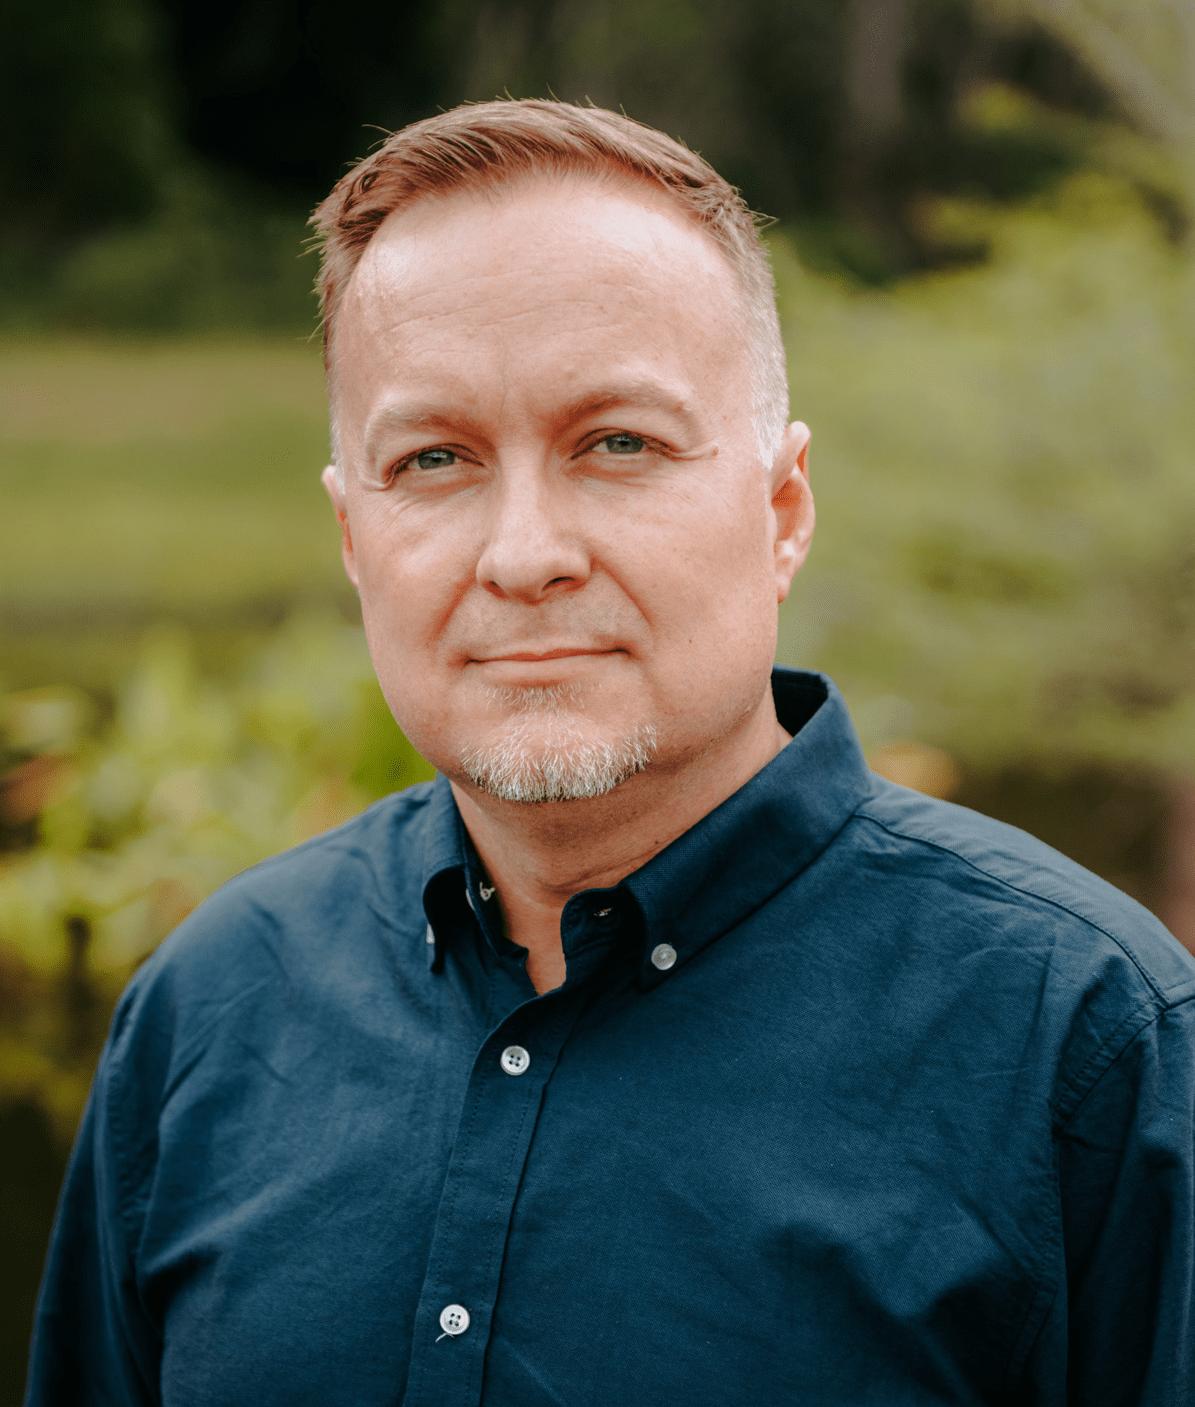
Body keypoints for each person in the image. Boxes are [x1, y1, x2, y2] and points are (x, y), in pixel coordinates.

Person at [24, 98, 1195, 1407]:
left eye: (618, 444)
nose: (524, 555)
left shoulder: (1087, 1046)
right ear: (355, 538)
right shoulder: (210, 1011)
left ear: (782, 508)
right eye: (434, 459)